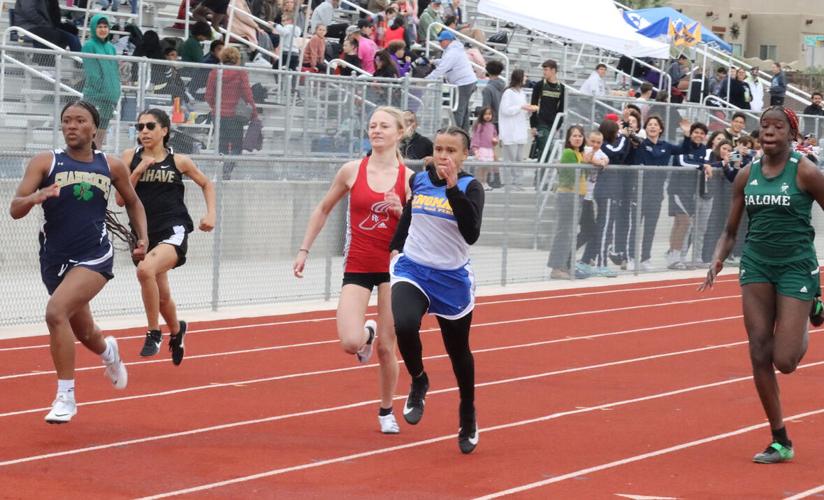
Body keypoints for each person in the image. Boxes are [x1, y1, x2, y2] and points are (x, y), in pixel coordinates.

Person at [9, 100, 148, 423]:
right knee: (84, 331)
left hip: (94, 255)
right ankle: (108, 352)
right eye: (66, 120)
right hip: (54, 258)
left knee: (56, 312)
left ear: (94, 128)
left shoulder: (110, 165)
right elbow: (15, 208)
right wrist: (35, 197)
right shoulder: (46, 162)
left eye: (79, 120)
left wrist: (142, 238)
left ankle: (65, 397)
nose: (71, 126)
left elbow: (134, 202)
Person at [699, 106, 824, 464]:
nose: (769, 131)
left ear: (792, 134)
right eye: (764, 126)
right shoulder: (745, 175)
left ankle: (810, 309)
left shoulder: (806, 172)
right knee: (758, 351)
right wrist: (718, 258)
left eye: (777, 127)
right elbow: (730, 230)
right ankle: (780, 438)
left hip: (796, 266)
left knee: (784, 360)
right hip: (756, 264)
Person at [294, 107, 414, 434]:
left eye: (384, 126)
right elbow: (323, 208)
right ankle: (367, 336)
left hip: (393, 268)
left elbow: (420, 227)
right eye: (372, 125)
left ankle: (386, 409)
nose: (376, 130)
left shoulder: (408, 178)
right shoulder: (351, 170)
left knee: (389, 348)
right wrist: (304, 249)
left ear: (399, 133)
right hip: (358, 264)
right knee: (349, 341)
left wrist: (401, 209)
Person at [389, 126, 485, 454]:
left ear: (464, 155)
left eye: (451, 151)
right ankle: (419, 379)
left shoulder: (471, 187)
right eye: (440, 149)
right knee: (402, 323)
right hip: (414, 268)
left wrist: (453, 187)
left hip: (451, 279)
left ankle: (467, 411)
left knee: (458, 351)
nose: (444, 156)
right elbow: (409, 216)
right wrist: (396, 247)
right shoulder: (419, 180)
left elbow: (471, 234)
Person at [115, 109, 216, 364]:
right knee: (161, 296)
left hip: (174, 228)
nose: (144, 132)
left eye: (150, 126)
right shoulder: (130, 157)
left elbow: (206, 183)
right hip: (143, 234)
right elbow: (119, 199)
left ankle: (153, 332)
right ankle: (177, 329)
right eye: (139, 127)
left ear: (164, 130)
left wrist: (211, 214)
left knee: (145, 271)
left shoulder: (179, 161)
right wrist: (138, 171)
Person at [548, 125, 590, 280]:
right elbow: (569, 177)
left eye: (580, 135)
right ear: (569, 138)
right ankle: (556, 267)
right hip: (568, 196)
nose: (577, 138)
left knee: (569, 233)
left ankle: (564, 265)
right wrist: (584, 164)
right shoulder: (568, 153)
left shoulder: (579, 153)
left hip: (577, 196)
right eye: (574, 136)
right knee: (564, 233)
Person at [205, 47, 258, 158]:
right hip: (235, 115)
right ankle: (228, 170)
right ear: (237, 58)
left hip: (218, 114)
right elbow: (247, 94)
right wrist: (254, 111)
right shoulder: (240, 73)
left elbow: (208, 95)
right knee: (236, 145)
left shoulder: (215, 72)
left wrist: (215, 106)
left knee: (222, 144)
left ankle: (220, 167)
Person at [81, 15, 121, 147]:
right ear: (93, 28)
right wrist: (104, 90)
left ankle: (96, 163)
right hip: (95, 97)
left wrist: (115, 91)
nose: (103, 30)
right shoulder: (89, 46)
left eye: (105, 27)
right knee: (89, 135)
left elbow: (115, 71)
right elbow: (92, 73)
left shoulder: (111, 47)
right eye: (99, 27)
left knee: (100, 138)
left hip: (110, 98)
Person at [427, 30, 477, 131]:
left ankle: (456, 133)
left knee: (458, 110)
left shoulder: (452, 52)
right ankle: (464, 133)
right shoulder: (454, 49)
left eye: (441, 41)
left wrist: (427, 79)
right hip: (467, 82)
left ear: (447, 40)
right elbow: (446, 62)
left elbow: (442, 68)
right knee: (464, 111)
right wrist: (435, 61)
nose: (440, 43)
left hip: (463, 83)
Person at [498, 68, 536, 188]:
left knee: (519, 159)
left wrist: (528, 110)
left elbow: (522, 111)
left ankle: (518, 182)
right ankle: (507, 183)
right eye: (524, 76)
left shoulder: (522, 93)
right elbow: (505, 110)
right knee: (509, 159)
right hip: (510, 132)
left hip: (520, 131)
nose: (526, 78)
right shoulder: (508, 92)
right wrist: (521, 107)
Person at [530, 59, 565, 162]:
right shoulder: (539, 85)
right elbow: (533, 106)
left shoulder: (562, 88)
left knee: (544, 151)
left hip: (552, 124)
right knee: (546, 149)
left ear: (553, 70)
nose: (544, 72)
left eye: (546, 69)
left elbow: (561, 109)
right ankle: (541, 175)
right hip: (541, 124)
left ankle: (539, 176)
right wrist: (532, 125)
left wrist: (557, 126)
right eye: (543, 70)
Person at [470, 106, 498, 190]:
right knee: (481, 167)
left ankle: (485, 182)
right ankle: (479, 183)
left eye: (489, 114)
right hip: (481, 149)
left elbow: (494, 136)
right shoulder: (480, 126)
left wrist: (495, 141)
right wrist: (475, 149)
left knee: (487, 168)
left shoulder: (492, 126)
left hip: (489, 150)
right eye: (485, 114)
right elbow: (476, 137)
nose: (488, 116)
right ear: (482, 115)